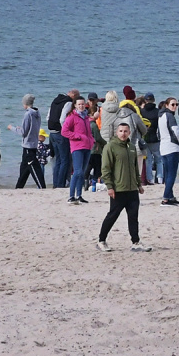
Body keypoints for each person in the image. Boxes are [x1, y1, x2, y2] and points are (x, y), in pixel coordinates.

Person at [97, 120, 151, 252]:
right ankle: (101, 241)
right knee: (112, 215)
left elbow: (135, 168)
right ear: (117, 132)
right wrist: (109, 186)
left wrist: (139, 184)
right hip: (118, 189)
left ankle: (135, 242)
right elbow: (105, 169)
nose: (123, 133)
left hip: (132, 189)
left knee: (133, 217)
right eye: (121, 131)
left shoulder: (131, 147)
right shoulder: (110, 147)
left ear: (129, 132)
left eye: (126, 131)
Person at [61, 97, 95, 204]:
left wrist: (92, 140)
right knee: (77, 171)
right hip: (77, 147)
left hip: (87, 147)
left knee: (82, 172)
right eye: (79, 104)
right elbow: (64, 131)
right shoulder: (72, 116)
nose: (81, 106)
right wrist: (77, 136)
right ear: (75, 105)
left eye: (82, 104)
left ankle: (79, 195)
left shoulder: (86, 117)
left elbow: (89, 132)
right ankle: (71, 196)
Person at [11, 94, 45, 189]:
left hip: (28, 145)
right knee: (24, 168)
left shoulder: (28, 114)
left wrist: (12, 128)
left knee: (34, 166)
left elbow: (23, 132)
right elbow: (31, 128)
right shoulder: (37, 113)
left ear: (25, 103)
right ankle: (18, 187)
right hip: (33, 143)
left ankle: (42, 186)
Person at [47, 88, 79, 189]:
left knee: (58, 159)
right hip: (60, 133)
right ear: (73, 96)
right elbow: (62, 119)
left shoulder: (55, 101)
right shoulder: (68, 103)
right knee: (65, 160)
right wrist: (66, 131)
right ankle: (61, 184)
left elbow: (48, 117)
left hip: (52, 133)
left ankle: (56, 183)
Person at [158, 97, 179, 204]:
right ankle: (166, 197)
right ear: (167, 105)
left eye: (176, 104)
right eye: (173, 104)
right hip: (171, 147)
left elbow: (158, 133)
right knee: (171, 174)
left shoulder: (161, 116)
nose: (175, 107)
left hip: (163, 147)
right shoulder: (169, 116)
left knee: (167, 173)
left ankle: (170, 196)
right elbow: (176, 131)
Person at [140, 93, 161, 185]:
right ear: (154, 100)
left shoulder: (142, 112)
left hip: (145, 137)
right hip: (155, 138)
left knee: (148, 160)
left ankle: (149, 178)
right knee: (158, 159)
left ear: (145, 101)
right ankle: (159, 178)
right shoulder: (158, 111)